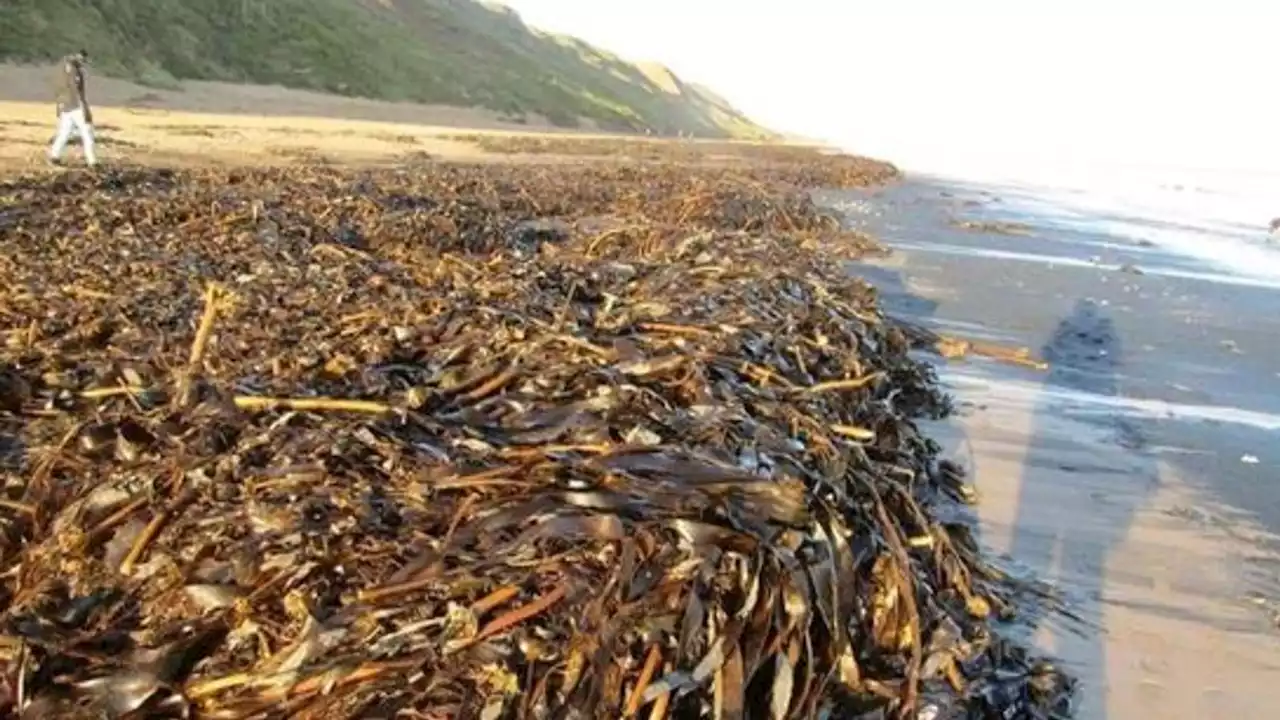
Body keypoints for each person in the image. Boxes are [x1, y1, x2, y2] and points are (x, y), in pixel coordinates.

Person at [49, 50, 97, 168]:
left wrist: (59, 106)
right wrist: (85, 108)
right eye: (83, 60)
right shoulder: (75, 71)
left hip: (65, 106)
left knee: (64, 132)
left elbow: (58, 90)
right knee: (87, 132)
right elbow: (76, 90)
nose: (83, 63)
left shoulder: (60, 70)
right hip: (75, 105)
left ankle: (54, 155)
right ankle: (92, 161)